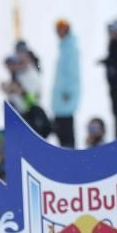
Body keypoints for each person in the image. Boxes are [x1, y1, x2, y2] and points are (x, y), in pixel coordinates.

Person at [51, 19, 80, 148]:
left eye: (62, 29)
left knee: (66, 136)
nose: (59, 33)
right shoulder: (64, 48)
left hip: (65, 100)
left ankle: (71, 163)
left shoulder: (70, 49)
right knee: (61, 133)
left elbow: (73, 73)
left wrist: (69, 92)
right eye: (58, 30)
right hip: (60, 100)